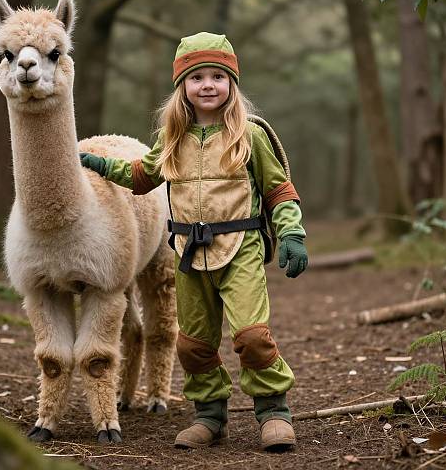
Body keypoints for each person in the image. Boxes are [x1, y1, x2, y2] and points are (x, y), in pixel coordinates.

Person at [80, 32, 308, 451]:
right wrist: (97, 164)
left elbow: (279, 190)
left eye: (217, 76)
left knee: (252, 336)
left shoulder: (249, 136)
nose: (207, 84)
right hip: (187, 253)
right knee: (193, 343)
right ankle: (210, 416)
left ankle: (273, 411)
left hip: (241, 247)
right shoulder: (173, 138)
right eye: (197, 76)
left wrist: (291, 231)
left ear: (231, 84)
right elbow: (141, 175)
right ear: (182, 86)